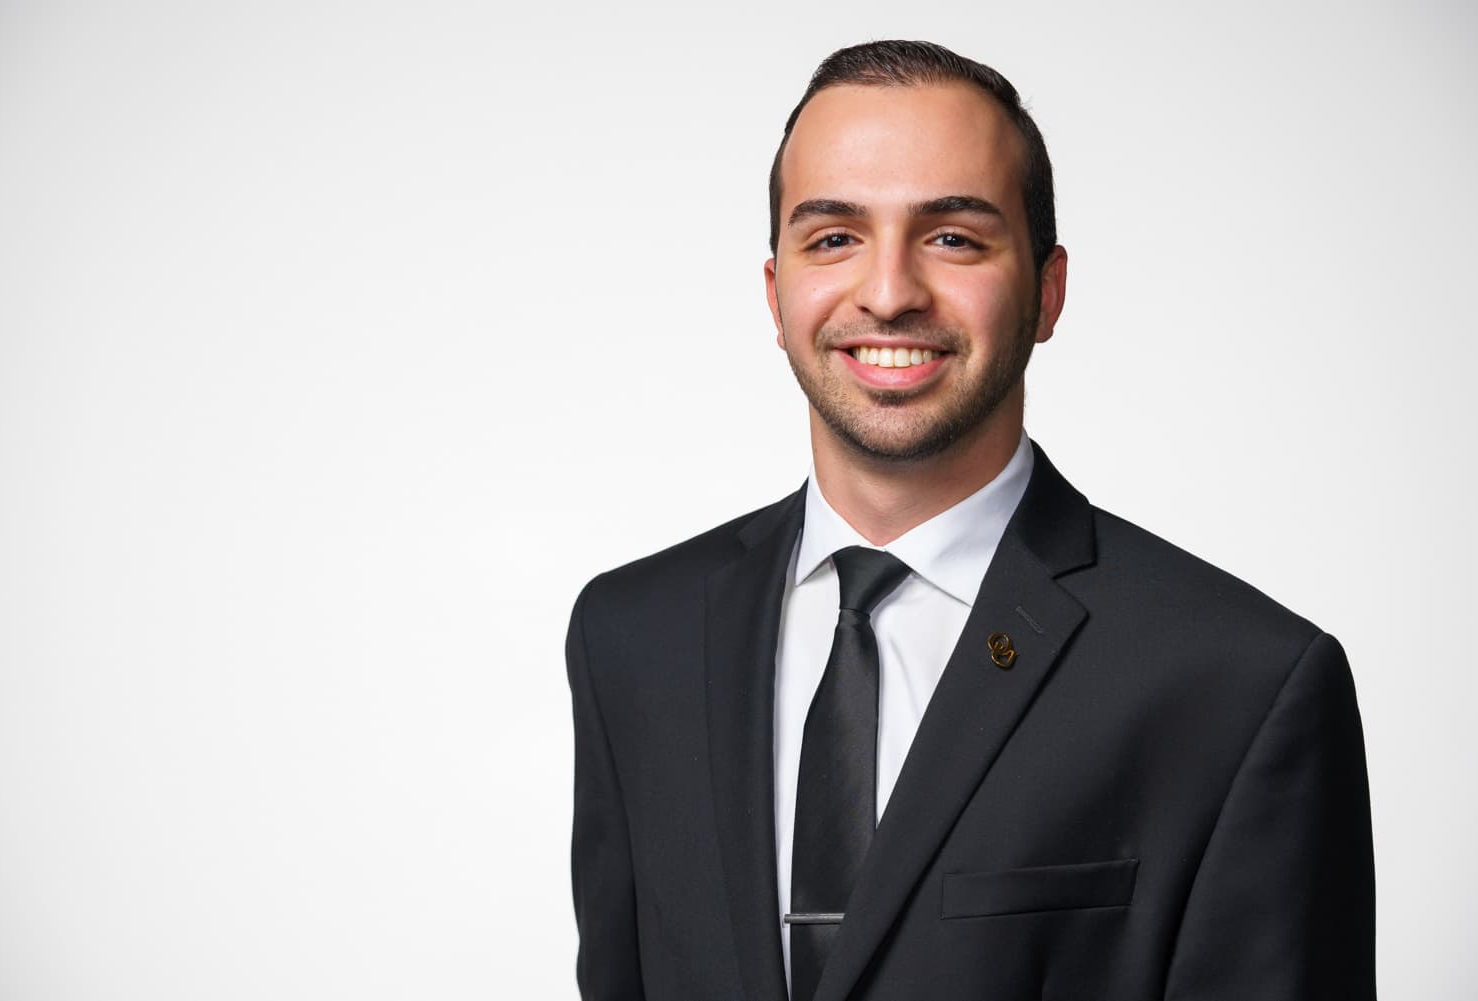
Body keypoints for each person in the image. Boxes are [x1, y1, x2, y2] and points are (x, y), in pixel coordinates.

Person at [566, 39, 1375, 1001]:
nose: (890, 290)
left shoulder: (1242, 685)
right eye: (834, 237)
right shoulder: (633, 636)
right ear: (777, 295)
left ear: (1047, 290)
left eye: (952, 237)